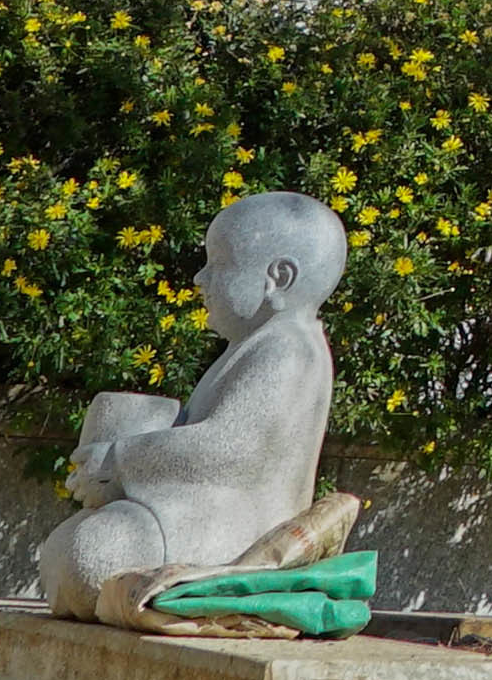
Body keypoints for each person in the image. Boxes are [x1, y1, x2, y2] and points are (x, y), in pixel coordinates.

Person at [35, 191, 346, 616]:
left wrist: (118, 458)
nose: (200, 279)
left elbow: (230, 448)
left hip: (234, 538)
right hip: (193, 517)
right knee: (78, 546)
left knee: (95, 551)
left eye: (217, 265)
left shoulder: (288, 350)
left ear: (279, 278)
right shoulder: (254, 347)